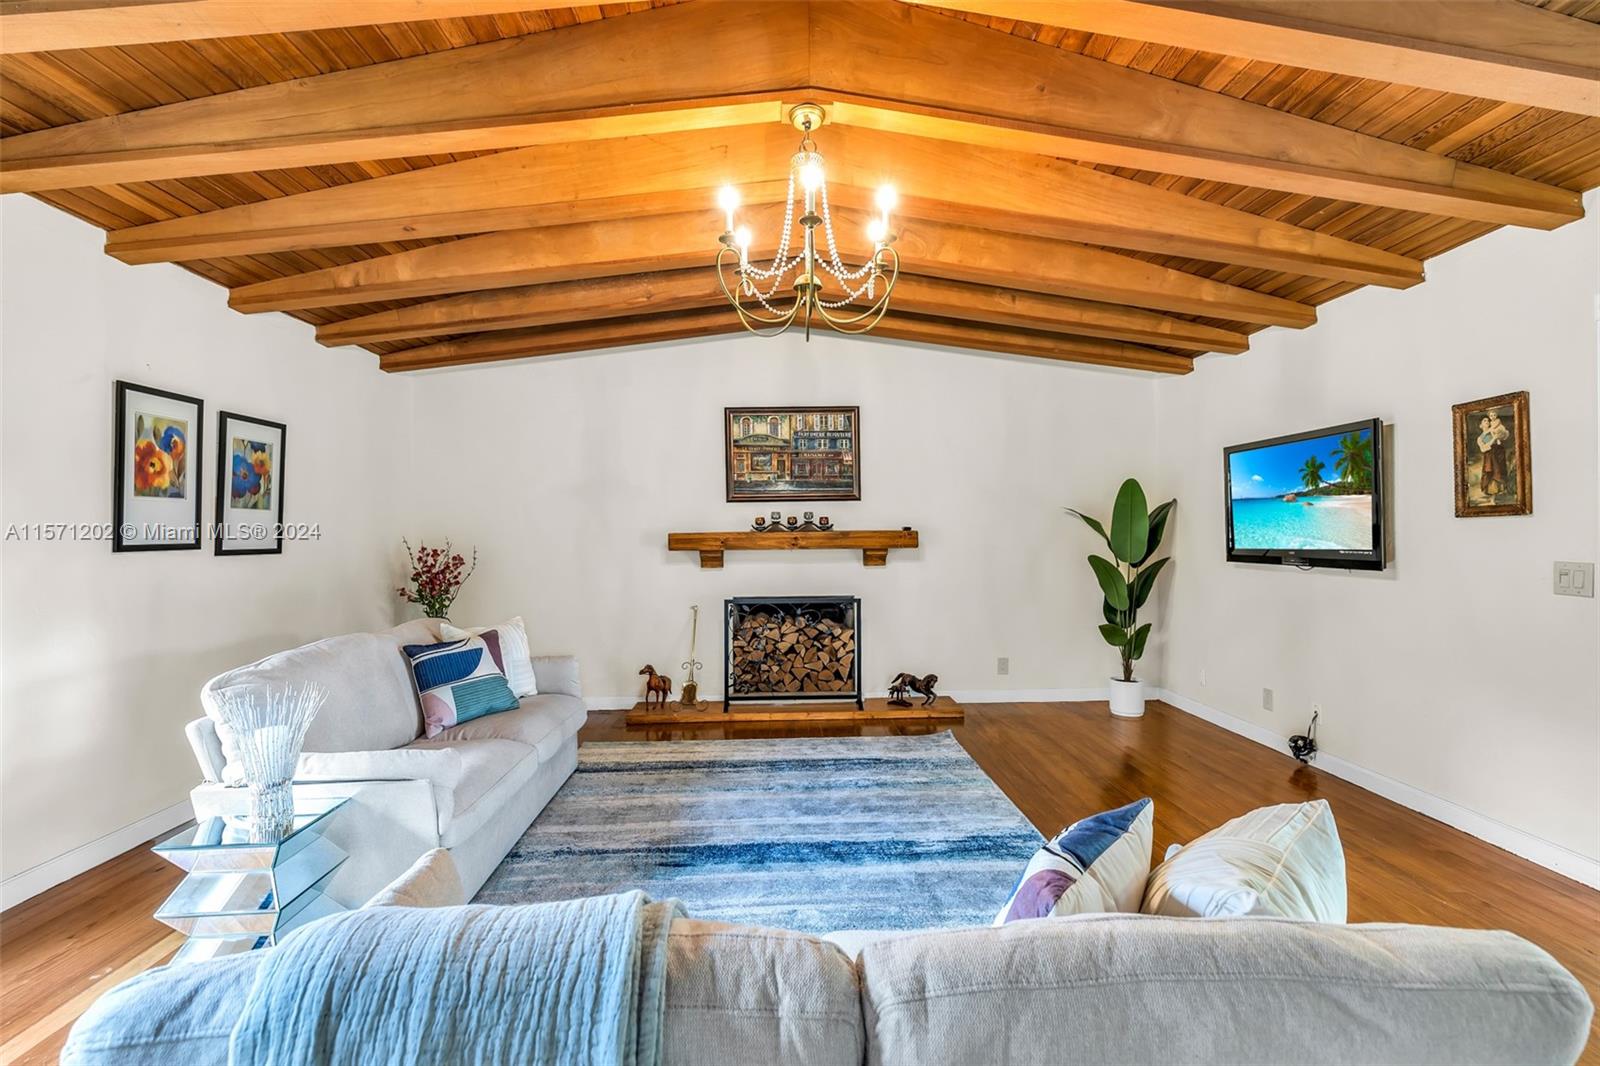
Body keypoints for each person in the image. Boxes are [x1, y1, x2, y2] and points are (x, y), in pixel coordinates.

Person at [1476, 411, 1510, 499]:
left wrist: (1498, 437)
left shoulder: (1494, 431)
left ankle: (1499, 495)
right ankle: (1492, 498)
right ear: (1481, 425)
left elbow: (1504, 436)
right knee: (1491, 474)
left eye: (1488, 420)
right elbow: (1483, 449)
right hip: (1489, 457)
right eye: (1484, 421)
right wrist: (1493, 440)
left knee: (1500, 472)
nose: (1487, 422)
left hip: (1498, 455)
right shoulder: (1480, 438)